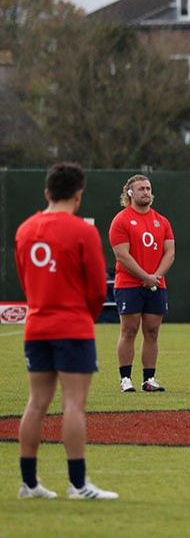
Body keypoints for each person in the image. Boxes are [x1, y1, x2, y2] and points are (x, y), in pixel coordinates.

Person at [15, 163, 118, 500]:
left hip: (36, 324)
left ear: (47, 192)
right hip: (72, 326)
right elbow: (97, 289)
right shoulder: (83, 232)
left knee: (36, 403)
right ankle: (77, 485)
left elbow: (24, 278)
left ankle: (29, 483)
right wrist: (83, 317)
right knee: (74, 404)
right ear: (78, 195)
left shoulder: (25, 230)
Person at [109, 174, 175, 393]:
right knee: (129, 330)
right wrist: (144, 276)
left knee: (152, 331)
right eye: (141, 189)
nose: (146, 192)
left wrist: (155, 275)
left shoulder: (162, 220)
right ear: (130, 193)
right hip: (129, 284)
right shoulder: (121, 220)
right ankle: (125, 378)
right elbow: (122, 255)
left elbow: (170, 252)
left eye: (148, 188)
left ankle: (149, 379)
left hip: (156, 283)